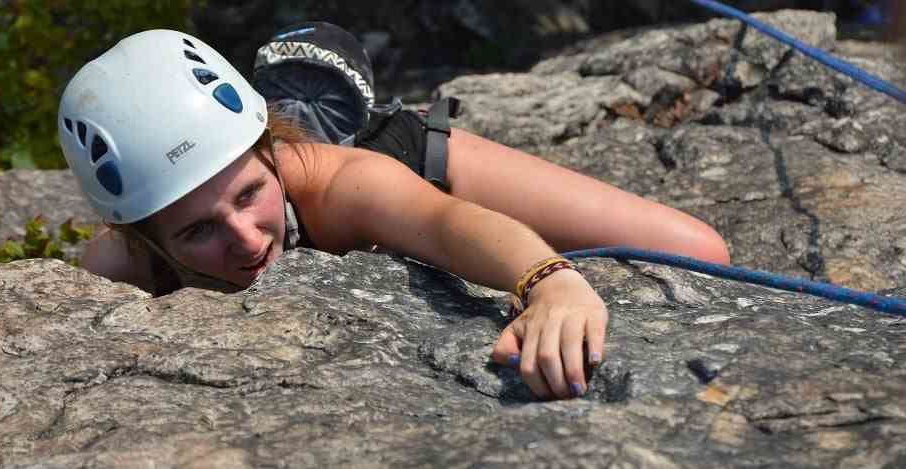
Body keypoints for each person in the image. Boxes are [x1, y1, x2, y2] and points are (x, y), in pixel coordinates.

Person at [60, 29, 730, 401]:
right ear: (144, 235)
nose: (246, 239)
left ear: (271, 153)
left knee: (699, 251)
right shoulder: (120, 266)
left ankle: (350, 111)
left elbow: (439, 223)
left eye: (247, 195)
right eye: (197, 230)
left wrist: (548, 280)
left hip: (413, 162)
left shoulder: (340, 185)